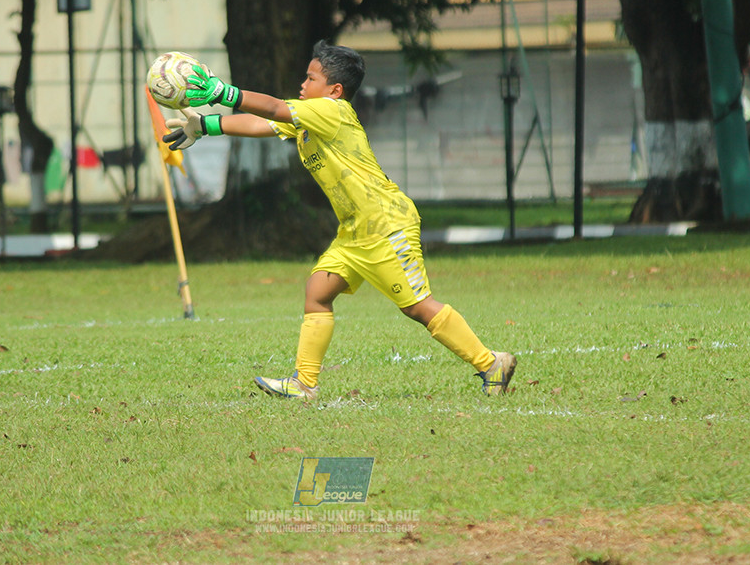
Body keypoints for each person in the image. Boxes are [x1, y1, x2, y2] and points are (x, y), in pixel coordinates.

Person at [165, 40, 516, 399]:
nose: (303, 85)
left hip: (386, 224)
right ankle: (304, 385)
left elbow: (273, 106)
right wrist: (206, 125)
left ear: (334, 90)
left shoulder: (333, 112)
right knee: (317, 292)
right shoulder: (309, 119)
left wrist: (222, 92)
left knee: (417, 306)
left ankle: (491, 363)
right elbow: (264, 122)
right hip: (355, 230)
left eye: (310, 77)